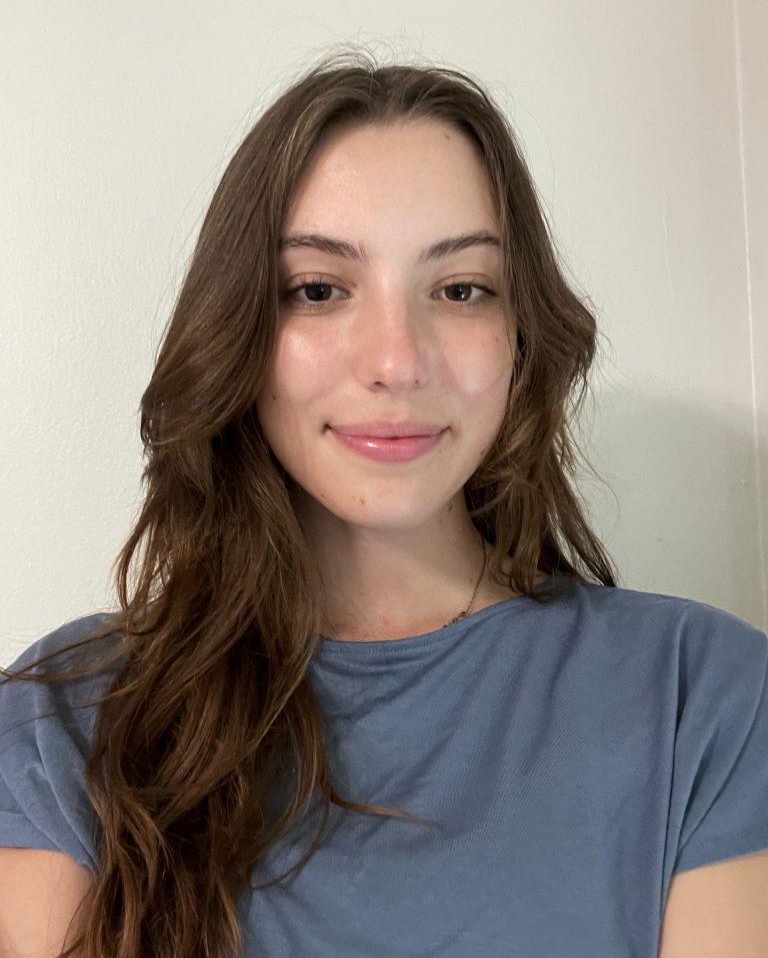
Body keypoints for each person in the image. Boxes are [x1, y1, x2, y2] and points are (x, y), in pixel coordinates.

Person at [1, 48, 766, 958]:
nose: (397, 361)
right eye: (319, 291)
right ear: (239, 330)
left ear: (523, 336)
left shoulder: (704, 696)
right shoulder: (67, 718)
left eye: (460, 290)